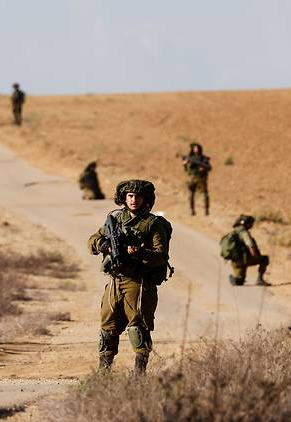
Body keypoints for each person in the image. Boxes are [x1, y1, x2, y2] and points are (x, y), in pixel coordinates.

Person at [88, 180, 172, 374]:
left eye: (138, 196)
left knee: (137, 327)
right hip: (115, 281)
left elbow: (161, 255)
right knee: (107, 326)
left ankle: (139, 373)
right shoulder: (115, 220)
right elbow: (92, 240)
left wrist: (139, 253)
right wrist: (104, 245)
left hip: (138, 282)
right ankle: (104, 371)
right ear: (124, 198)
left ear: (146, 199)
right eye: (130, 196)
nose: (134, 200)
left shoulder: (153, 224)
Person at [226, 215, 270, 286]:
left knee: (240, 281)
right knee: (265, 259)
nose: (251, 225)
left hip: (235, 262)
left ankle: (236, 279)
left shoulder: (233, 232)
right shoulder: (244, 233)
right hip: (244, 260)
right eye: (250, 224)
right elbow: (250, 245)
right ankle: (260, 280)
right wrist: (256, 256)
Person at [182, 143, 211, 216]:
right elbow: (186, 169)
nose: (196, 150)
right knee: (191, 194)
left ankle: (206, 209)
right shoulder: (190, 157)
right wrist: (185, 164)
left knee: (205, 195)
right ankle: (192, 210)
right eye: (194, 148)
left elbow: (209, 167)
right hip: (191, 178)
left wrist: (203, 168)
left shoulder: (203, 158)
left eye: (197, 148)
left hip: (201, 178)